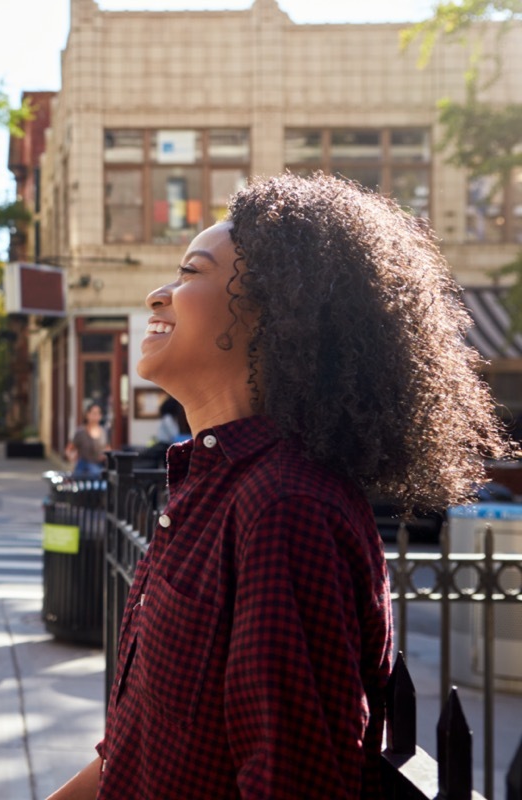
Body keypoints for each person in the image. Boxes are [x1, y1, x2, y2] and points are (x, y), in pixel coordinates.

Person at [48, 173, 513, 800]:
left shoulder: (284, 509)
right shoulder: (212, 486)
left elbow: (291, 783)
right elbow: (135, 748)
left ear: (275, 315)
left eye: (190, 273)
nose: (160, 295)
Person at [64, 401, 108, 478]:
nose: (96, 416)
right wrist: (73, 459)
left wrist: (105, 456)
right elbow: (69, 450)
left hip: (99, 466)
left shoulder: (103, 432)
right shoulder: (81, 432)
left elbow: (107, 448)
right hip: (84, 468)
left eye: (98, 414)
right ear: (87, 415)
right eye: (94, 413)